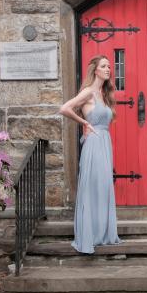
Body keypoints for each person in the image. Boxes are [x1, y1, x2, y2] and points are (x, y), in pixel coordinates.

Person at [59, 55, 121, 253]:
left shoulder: (104, 94)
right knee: (92, 186)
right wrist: (84, 122)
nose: (108, 69)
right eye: (104, 66)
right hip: (93, 143)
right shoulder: (88, 92)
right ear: (95, 70)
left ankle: (102, 233)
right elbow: (64, 108)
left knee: (103, 186)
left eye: (109, 66)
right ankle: (89, 235)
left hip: (104, 141)